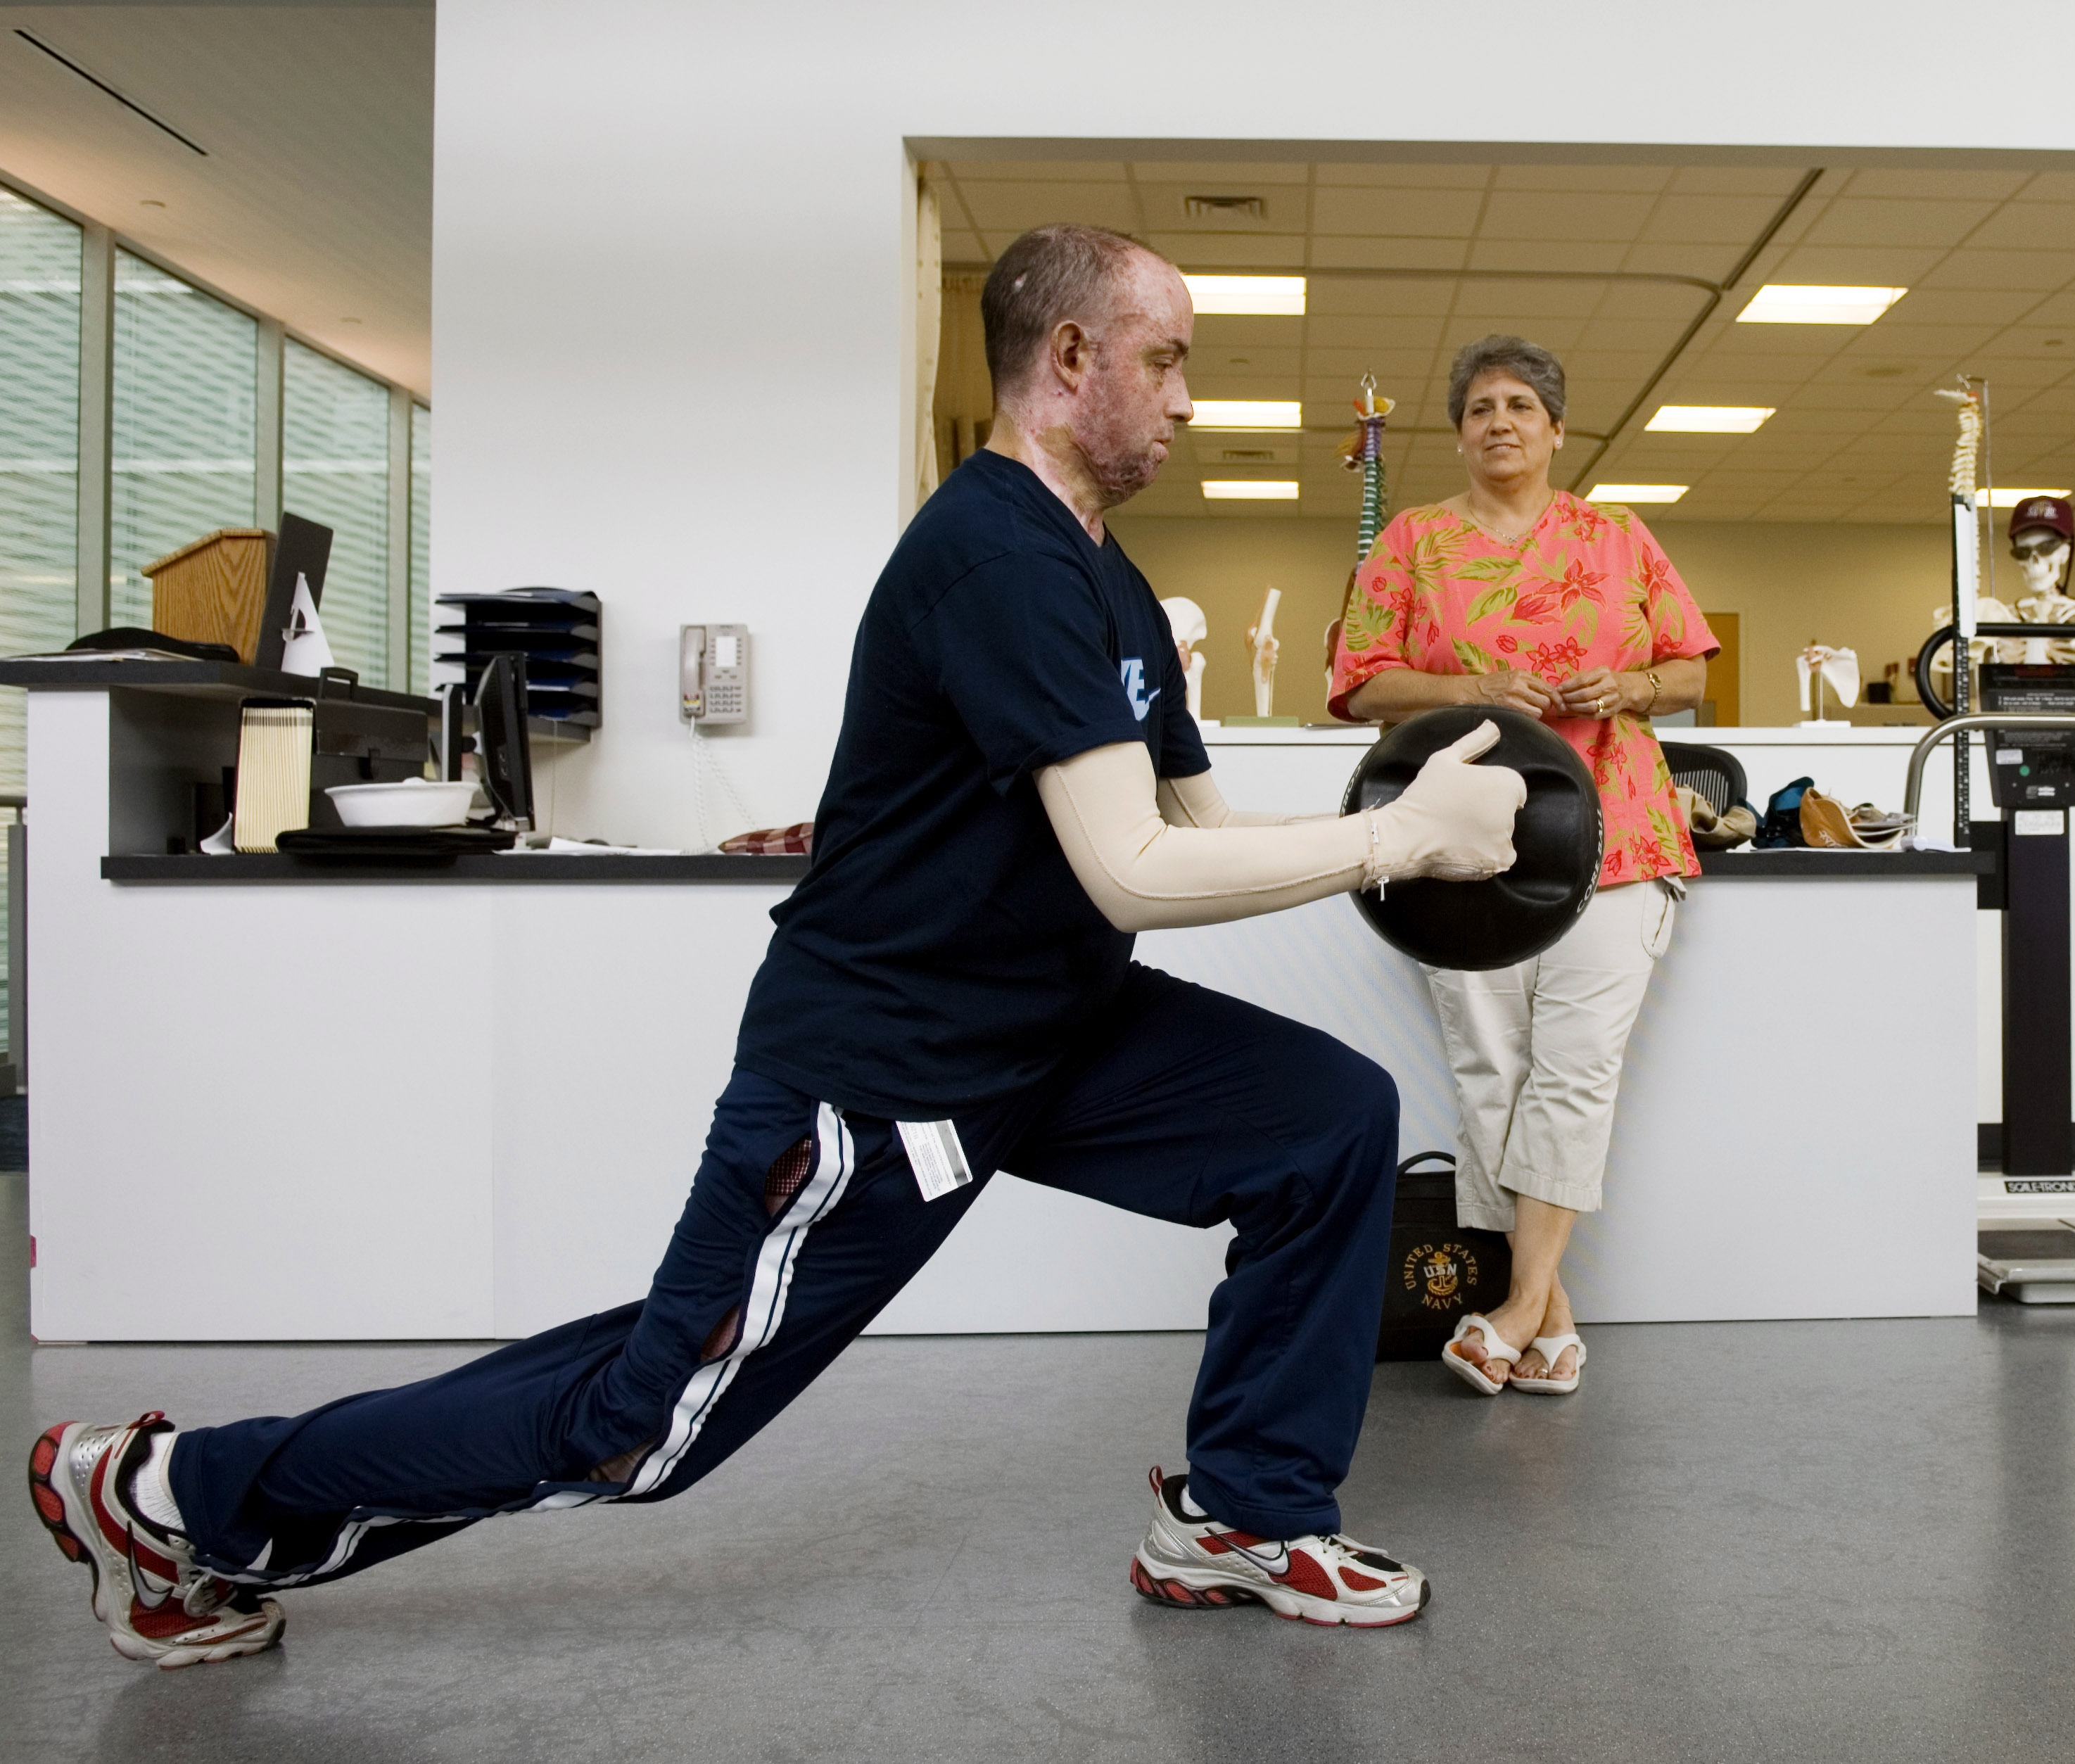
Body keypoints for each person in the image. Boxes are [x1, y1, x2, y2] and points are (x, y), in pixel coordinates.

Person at [27, 224, 1534, 1667]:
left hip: (1051, 1027)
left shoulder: (1106, 578)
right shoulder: (996, 557)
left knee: (1322, 1119)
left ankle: (1245, 1516)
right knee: (644, 1415)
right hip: (884, 1068)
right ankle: (172, 1494)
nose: (1190, 399)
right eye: (1168, 359)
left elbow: (1191, 821)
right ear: (1071, 354)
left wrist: (1411, 834)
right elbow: (1134, 871)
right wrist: (1401, 838)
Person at [1329, 334, 1718, 1400]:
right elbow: (1361, 687)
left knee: (1574, 1069)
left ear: (1555, 429)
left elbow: (1688, 665)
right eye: (1478, 408)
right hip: (1459, 848)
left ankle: (1508, 1307)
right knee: (1491, 1071)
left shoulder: (1619, 536)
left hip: (1620, 839)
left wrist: (1631, 685)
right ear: (1459, 433)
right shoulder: (1411, 543)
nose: (1499, 420)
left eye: (1520, 406)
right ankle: (1549, 1316)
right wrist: (1472, 684)